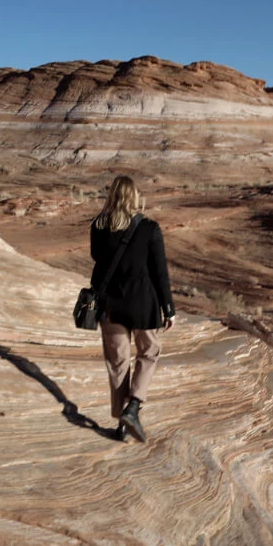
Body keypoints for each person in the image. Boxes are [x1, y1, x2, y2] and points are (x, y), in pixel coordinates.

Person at [90, 176, 175, 442]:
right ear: (134, 197)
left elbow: (96, 257)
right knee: (149, 353)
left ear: (112, 195)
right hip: (143, 305)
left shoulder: (98, 225)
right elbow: (160, 272)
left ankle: (122, 425)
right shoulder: (149, 228)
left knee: (118, 363)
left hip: (111, 306)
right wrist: (168, 308)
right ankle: (134, 407)